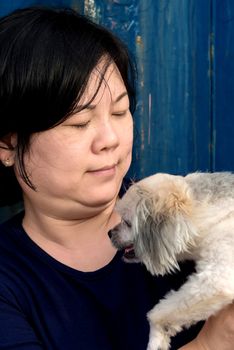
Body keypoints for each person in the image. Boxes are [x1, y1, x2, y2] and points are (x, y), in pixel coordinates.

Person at [0, 7, 233, 350]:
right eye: (79, 123)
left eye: (120, 112)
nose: (109, 139)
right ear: (8, 143)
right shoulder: (9, 279)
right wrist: (212, 343)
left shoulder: (181, 215)